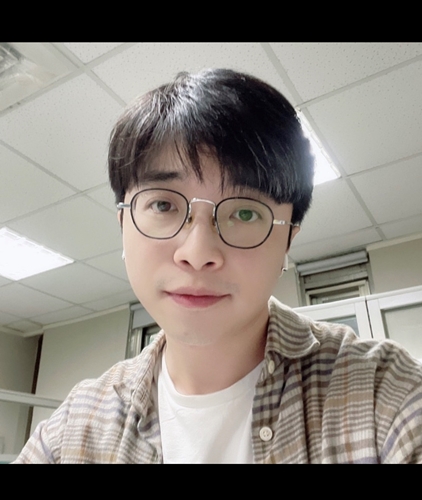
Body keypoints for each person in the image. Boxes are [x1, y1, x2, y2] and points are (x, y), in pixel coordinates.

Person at [13, 68, 422, 464]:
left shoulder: (384, 394)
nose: (197, 252)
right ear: (124, 225)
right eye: (163, 204)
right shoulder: (73, 430)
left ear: (287, 241)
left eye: (245, 213)